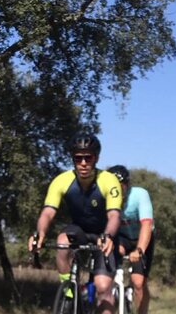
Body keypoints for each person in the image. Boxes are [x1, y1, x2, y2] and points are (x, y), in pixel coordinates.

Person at [28, 133, 122, 314]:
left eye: (88, 158)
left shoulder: (109, 180)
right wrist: (40, 233)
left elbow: (114, 215)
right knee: (62, 241)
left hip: (104, 234)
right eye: (78, 158)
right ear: (73, 159)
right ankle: (70, 289)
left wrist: (108, 235)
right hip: (80, 230)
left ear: (96, 158)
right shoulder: (61, 180)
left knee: (103, 287)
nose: (83, 163)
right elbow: (48, 212)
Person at [107, 164, 154, 314]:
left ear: (127, 184)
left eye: (120, 186)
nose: (117, 190)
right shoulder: (106, 197)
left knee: (138, 282)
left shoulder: (140, 195)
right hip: (122, 238)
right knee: (113, 257)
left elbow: (146, 224)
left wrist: (139, 250)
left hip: (142, 238)